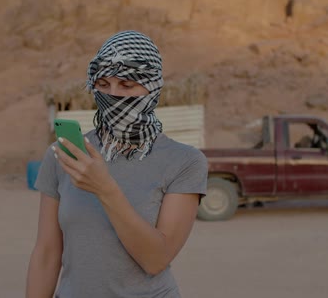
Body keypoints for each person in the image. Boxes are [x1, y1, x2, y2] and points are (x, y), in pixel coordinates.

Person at [25, 30, 207, 298]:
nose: (113, 95)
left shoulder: (185, 161)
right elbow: (47, 253)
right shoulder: (64, 154)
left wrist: (105, 188)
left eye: (127, 85)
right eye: (103, 83)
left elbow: (155, 259)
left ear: (152, 86)